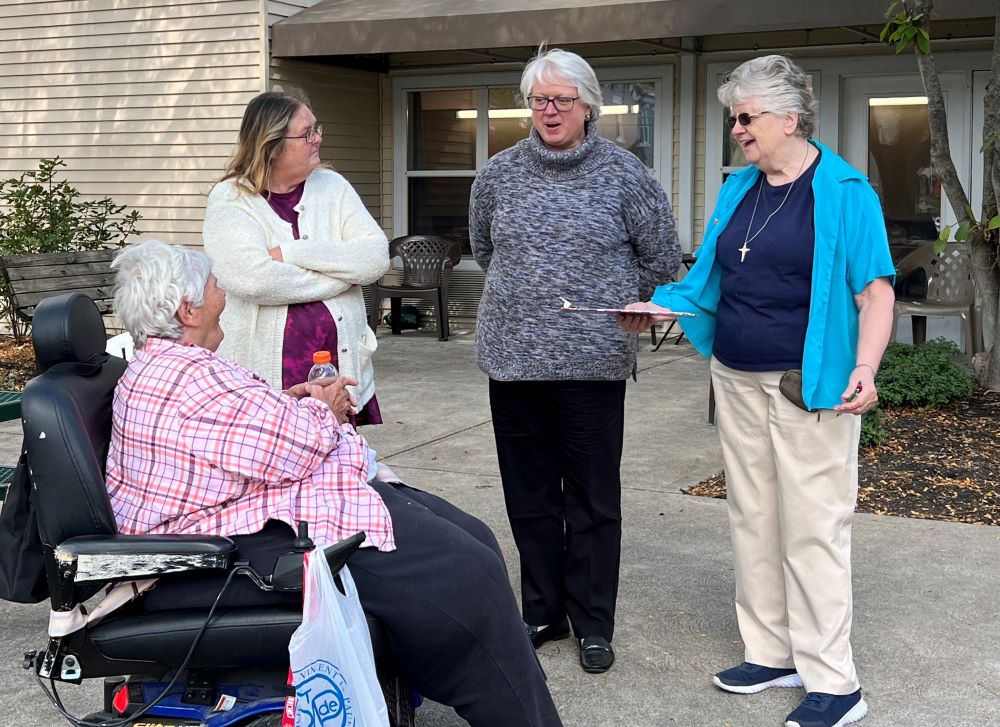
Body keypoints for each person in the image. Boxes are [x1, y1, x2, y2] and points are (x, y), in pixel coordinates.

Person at [106, 239, 563, 727]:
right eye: (216, 285)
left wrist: (295, 400)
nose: (225, 293)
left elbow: (234, 431)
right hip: (224, 545)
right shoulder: (184, 378)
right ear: (187, 308)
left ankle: (443, 667)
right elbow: (285, 450)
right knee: (465, 571)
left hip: (245, 509)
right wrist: (324, 411)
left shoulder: (175, 366)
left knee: (471, 534)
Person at [618, 55, 895, 727]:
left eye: (747, 117)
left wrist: (867, 366)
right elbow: (707, 277)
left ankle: (834, 681)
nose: (737, 129)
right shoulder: (740, 188)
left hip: (809, 382)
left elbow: (876, 290)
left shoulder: (845, 189)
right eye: (732, 118)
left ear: (789, 119)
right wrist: (661, 306)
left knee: (813, 525)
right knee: (754, 516)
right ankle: (771, 651)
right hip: (735, 375)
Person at [468, 46, 681, 674]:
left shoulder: (625, 174)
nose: (551, 110)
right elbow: (485, 250)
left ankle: (592, 621)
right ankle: (542, 610)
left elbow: (662, 256)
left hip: (592, 364)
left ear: (590, 104)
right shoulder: (498, 174)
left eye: (563, 99)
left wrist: (634, 301)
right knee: (529, 497)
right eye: (540, 99)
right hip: (512, 362)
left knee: (592, 500)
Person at [203, 91, 387, 426]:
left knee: (339, 464)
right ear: (271, 146)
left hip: (338, 364)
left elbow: (374, 258)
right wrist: (342, 276)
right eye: (306, 134)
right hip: (266, 375)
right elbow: (253, 280)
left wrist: (292, 252)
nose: (317, 139)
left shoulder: (333, 187)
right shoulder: (231, 198)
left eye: (317, 129)